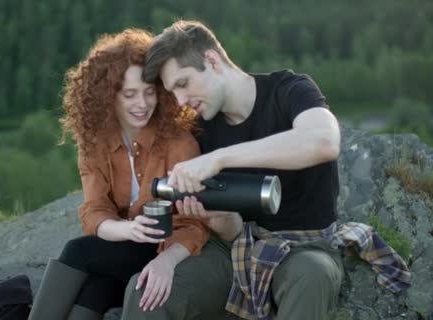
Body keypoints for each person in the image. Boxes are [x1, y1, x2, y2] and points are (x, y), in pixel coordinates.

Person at [121, 20, 411, 320]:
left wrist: (219, 159)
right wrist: (215, 218)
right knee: (145, 293)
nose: (181, 101)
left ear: (212, 60)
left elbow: (324, 141)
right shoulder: (201, 130)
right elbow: (231, 228)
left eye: (183, 84)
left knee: (313, 275)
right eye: (173, 92)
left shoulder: (289, 90)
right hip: (232, 250)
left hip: (303, 248)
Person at [27, 28, 211, 320]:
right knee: (93, 291)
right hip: (121, 245)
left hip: (163, 249)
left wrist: (166, 259)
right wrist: (127, 230)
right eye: (130, 94)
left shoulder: (179, 143)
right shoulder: (95, 142)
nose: (142, 103)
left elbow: (193, 224)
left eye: (149, 92)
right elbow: (94, 211)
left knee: (77, 251)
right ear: (107, 96)